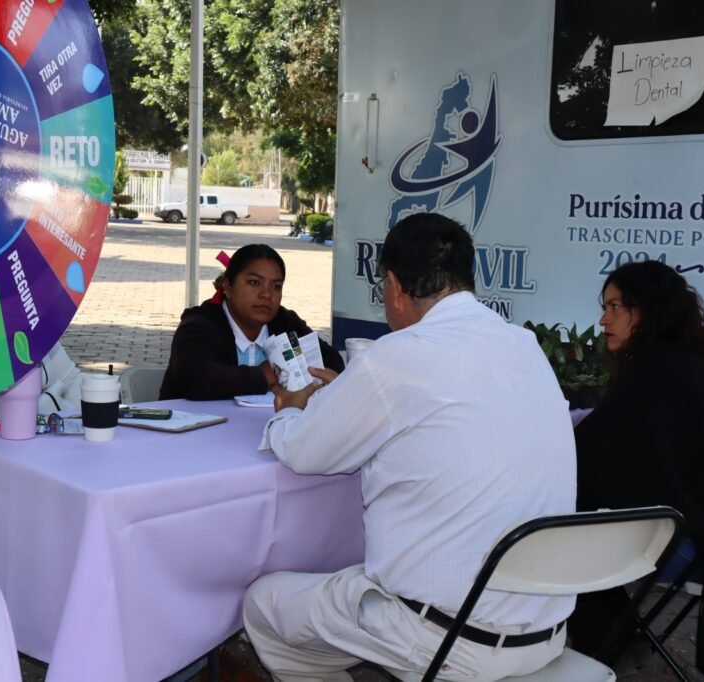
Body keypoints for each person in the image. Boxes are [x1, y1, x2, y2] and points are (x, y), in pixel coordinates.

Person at [242, 213, 577, 681]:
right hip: (546, 630)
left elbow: (302, 452)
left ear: (395, 287)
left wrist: (290, 407)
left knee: (264, 604)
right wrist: (350, 394)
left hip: (451, 641)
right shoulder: (524, 346)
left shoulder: (397, 356)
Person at [569, 260, 704, 677]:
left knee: (555, 533)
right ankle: (614, 638)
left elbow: (588, 463)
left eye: (616, 307)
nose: (603, 319)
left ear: (648, 311)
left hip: (691, 548)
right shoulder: (694, 368)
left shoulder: (654, 377)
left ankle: (599, 645)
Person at [159, 243, 344, 400]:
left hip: (264, 430)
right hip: (193, 435)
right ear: (228, 286)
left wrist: (311, 374)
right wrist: (265, 375)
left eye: (276, 286)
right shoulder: (200, 325)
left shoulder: (285, 323)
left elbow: (331, 360)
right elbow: (194, 378)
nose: (266, 294)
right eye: (254, 283)